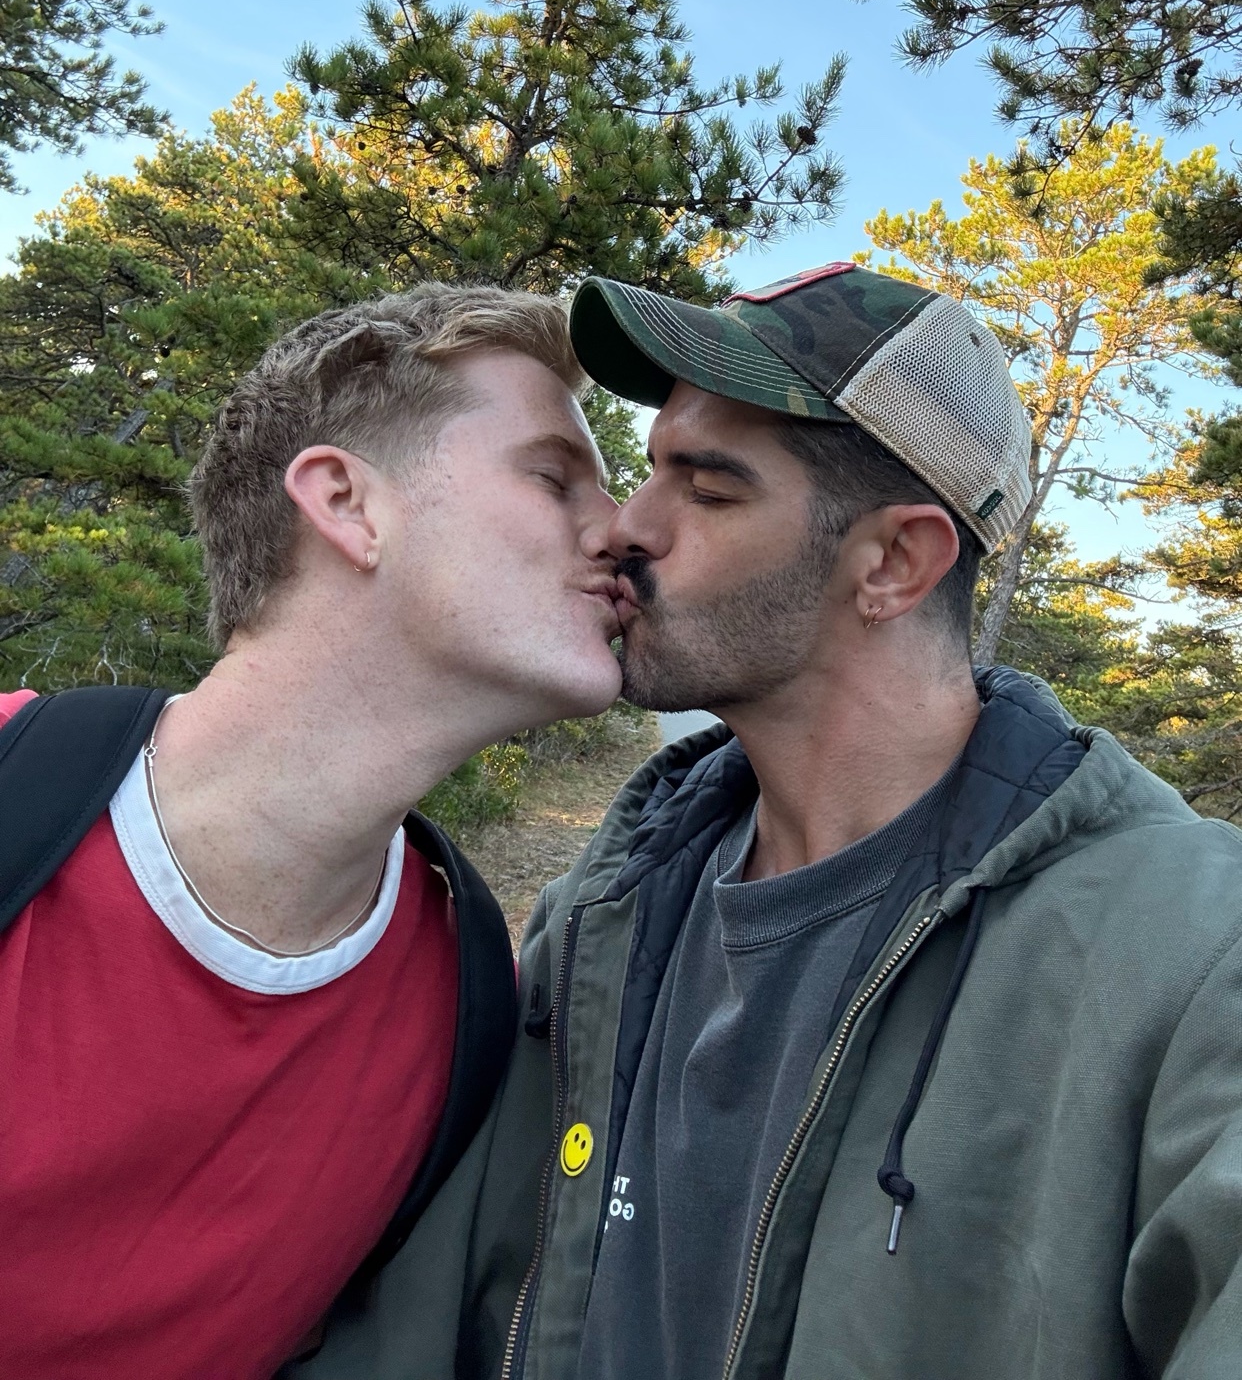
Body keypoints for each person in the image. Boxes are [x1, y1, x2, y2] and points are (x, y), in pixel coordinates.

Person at [300, 260, 1242, 1380]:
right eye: (649, 469)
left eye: (706, 488)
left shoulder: (1188, 952)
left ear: (894, 560)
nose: (623, 529)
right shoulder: (601, 918)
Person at [0, 284, 623, 1380]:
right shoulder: (15, 797)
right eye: (552, 474)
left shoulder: (473, 1008)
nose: (622, 531)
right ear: (346, 500)